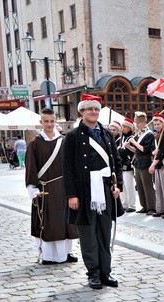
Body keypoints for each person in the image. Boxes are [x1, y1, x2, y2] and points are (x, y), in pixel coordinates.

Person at [62, 94, 123, 290]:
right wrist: (72, 194)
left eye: (96, 109)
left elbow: (116, 162)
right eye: (89, 109)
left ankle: (106, 272)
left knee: (104, 233)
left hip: (105, 189)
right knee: (88, 234)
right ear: (82, 111)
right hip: (84, 191)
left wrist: (118, 184)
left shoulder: (107, 134)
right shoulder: (72, 136)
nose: (93, 112)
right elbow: (67, 167)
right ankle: (93, 273)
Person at [25, 108, 78, 265]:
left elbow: (71, 165)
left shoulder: (64, 141)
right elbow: (31, 167)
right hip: (45, 189)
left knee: (66, 222)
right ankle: (48, 256)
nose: (49, 124)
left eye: (52, 121)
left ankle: (67, 253)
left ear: (55, 121)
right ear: (41, 123)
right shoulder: (35, 144)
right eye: (46, 121)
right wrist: (32, 188)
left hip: (64, 188)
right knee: (49, 223)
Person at [127, 111, 156, 214]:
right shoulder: (139, 134)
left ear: (143, 122)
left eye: (138, 123)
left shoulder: (149, 134)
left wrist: (134, 142)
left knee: (147, 185)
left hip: (146, 162)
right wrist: (129, 147)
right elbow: (137, 151)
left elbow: (145, 149)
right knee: (139, 186)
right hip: (138, 162)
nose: (136, 125)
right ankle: (144, 206)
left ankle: (151, 207)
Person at [149, 114, 164, 218]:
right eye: (155, 124)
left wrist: (153, 164)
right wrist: (154, 152)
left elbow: (161, 153)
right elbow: (156, 151)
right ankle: (160, 208)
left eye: (158, 124)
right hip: (158, 165)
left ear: (163, 123)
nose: (156, 126)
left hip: (162, 164)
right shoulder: (158, 135)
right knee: (158, 188)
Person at [116, 118, 137, 213]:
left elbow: (129, 151)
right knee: (123, 186)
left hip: (128, 164)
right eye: (123, 126)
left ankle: (132, 205)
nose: (123, 128)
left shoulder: (131, 137)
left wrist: (121, 150)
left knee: (129, 186)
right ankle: (125, 203)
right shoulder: (121, 138)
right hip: (121, 164)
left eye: (125, 127)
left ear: (130, 128)